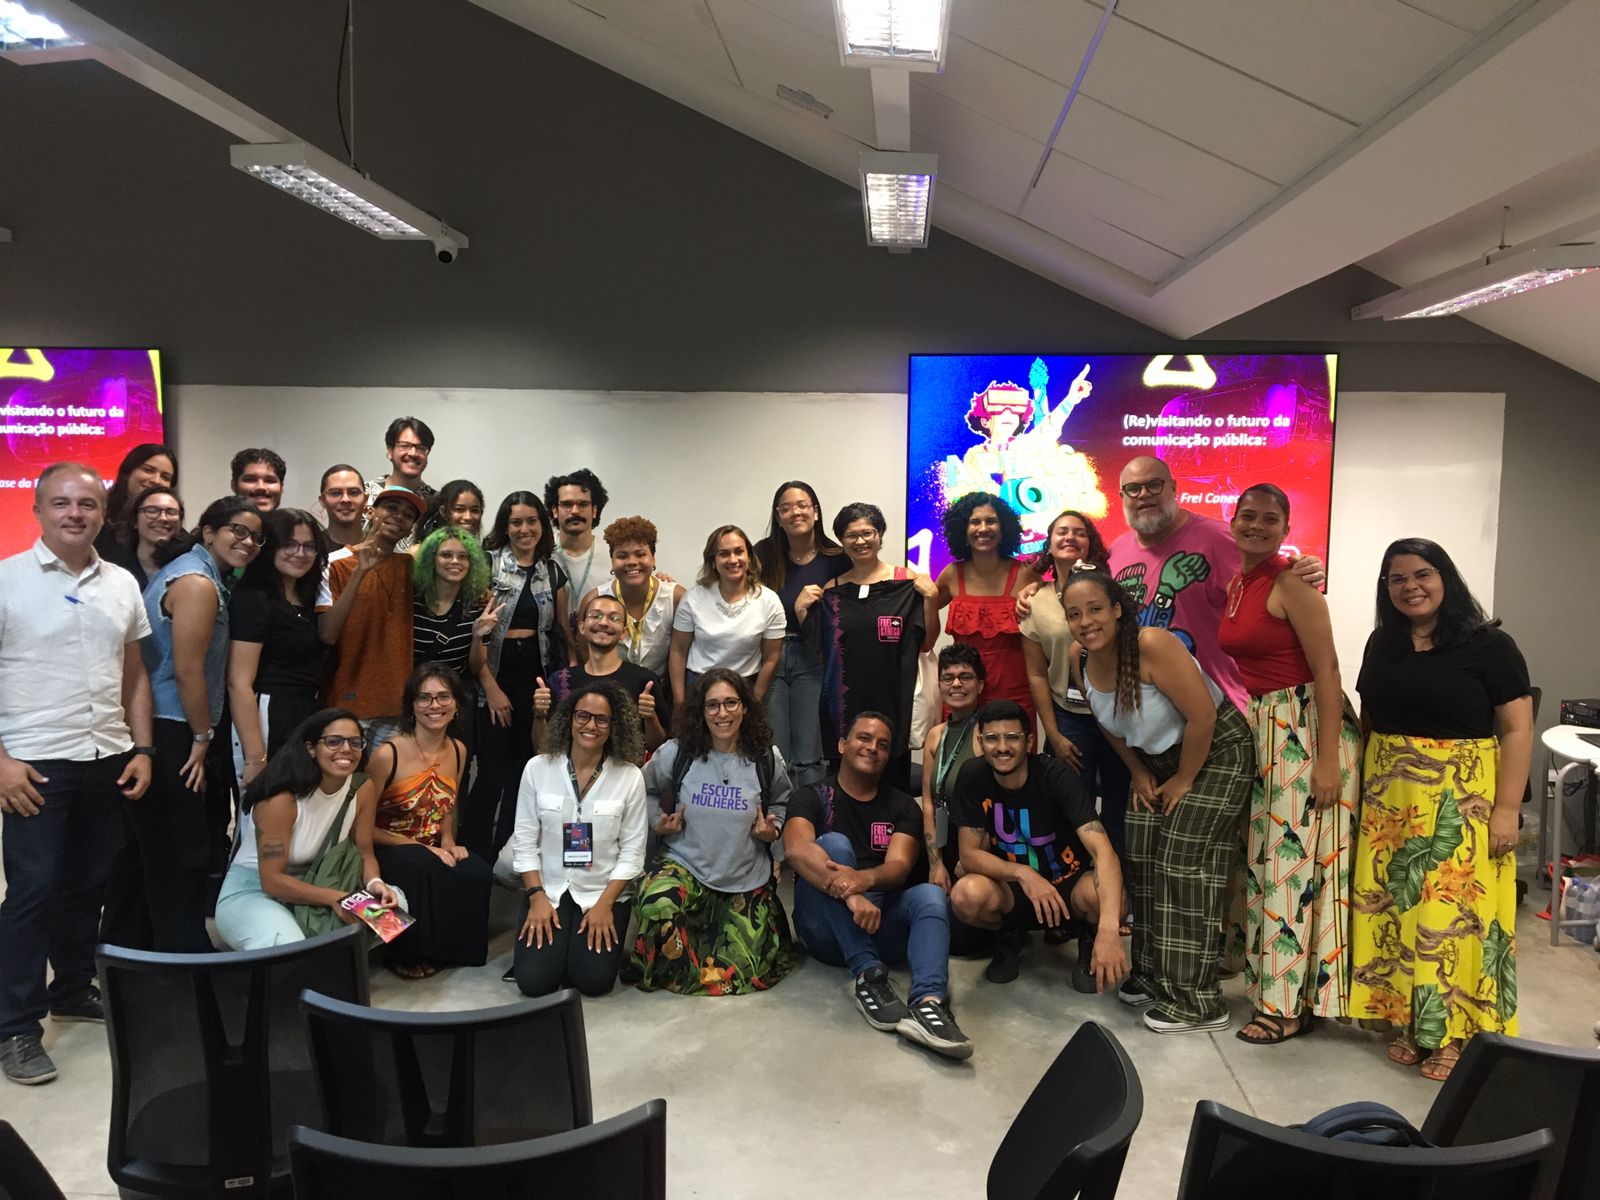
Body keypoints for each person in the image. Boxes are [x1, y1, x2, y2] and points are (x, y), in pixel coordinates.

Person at [1350, 539, 1531, 1082]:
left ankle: (1456, 1033)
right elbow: (1370, 718)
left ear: (1444, 577)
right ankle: (1413, 1020)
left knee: (1454, 920)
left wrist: (1506, 809)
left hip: (1463, 799)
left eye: (1422, 574)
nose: (1411, 587)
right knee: (1400, 913)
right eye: (1397, 578)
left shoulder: (1490, 645)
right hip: (1391, 803)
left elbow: (1518, 729)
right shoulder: (1383, 643)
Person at [0, 463, 152, 1087]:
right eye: (61, 503)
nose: (74, 514)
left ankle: (70, 987)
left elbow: (136, 673)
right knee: (32, 894)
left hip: (107, 757)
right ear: (38, 510)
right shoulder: (6, 580)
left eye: (87, 503)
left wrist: (141, 747)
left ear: (102, 513)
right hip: (32, 764)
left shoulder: (121, 583)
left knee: (89, 883)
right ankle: (14, 1027)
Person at [1062, 566, 1253, 1034]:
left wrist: (1186, 778)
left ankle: (1197, 1000)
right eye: (1074, 614)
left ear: (1117, 609)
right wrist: (1139, 772)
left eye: (1094, 609)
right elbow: (1106, 722)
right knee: (1142, 856)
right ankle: (1154, 974)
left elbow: (1204, 716)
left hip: (1216, 752)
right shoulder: (1079, 656)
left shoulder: (1151, 644)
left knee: (1182, 861)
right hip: (1156, 762)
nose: (1086, 621)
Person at [1217, 484, 1361, 1045]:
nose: (1256, 525)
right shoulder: (1239, 581)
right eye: (1247, 515)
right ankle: (1277, 988)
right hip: (1267, 724)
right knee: (1268, 863)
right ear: (1233, 520)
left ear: (1285, 526)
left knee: (1290, 866)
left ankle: (1285, 1006)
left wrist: (1327, 761)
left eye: (1269, 518)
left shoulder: (1292, 585)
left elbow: (1327, 671)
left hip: (1305, 726)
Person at [101, 497, 264, 953]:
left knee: (145, 852)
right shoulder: (196, 583)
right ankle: (183, 957)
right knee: (181, 853)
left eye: (255, 536)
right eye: (237, 530)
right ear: (208, 532)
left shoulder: (194, 574)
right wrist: (201, 736)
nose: (247, 542)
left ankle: (128, 951)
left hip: (160, 727)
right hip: (173, 729)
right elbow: (189, 672)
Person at [784, 712, 971, 1060]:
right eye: (864, 738)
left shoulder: (902, 806)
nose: (872, 748)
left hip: (878, 920)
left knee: (930, 895)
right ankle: (868, 975)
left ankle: (929, 1006)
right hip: (825, 928)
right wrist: (852, 894)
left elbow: (899, 868)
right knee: (834, 844)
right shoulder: (812, 796)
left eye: (882, 745)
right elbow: (796, 849)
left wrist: (865, 880)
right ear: (842, 745)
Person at [949, 700, 1129, 993]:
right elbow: (968, 856)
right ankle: (1010, 934)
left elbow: (1103, 851)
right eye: (993, 738)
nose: (1002, 747)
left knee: (1112, 900)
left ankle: (1090, 937)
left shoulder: (1056, 776)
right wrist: (1022, 873)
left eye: (1012, 737)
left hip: (1067, 885)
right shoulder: (973, 776)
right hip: (1014, 889)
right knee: (965, 895)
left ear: (1029, 741)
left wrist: (1109, 929)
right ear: (980, 743)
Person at [631, 670, 793, 994]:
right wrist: (656, 821)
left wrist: (772, 830)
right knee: (656, 902)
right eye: (713, 705)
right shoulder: (677, 753)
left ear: (745, 707)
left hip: (745, 876)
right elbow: (641, 788)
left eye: (731, 703)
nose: (722, 713)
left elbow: (782, 802)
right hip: (685, 866)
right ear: (701, 711)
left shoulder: (765, 758)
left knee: (743, 967)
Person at [214, 709, 399, 950]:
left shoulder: (362, 787)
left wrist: (375, 884)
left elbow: (365, 853)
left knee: (395, 909)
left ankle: (323, 954)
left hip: (321, 883)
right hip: (256, 891)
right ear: (311, 748)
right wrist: (335, 899)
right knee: (290, 946)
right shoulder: (281, 799)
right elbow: (271, 881)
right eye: (333, 741)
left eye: (355, 742)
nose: (346, 749)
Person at [510, 682, 649, 997]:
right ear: (569, 719)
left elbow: (632, 854)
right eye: (583, 716)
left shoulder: (629, 777)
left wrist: (605, 906)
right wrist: (536, 897)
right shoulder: (537, 769)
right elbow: (525, 842)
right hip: (549, 890)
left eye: (602, 719)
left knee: (593, 982)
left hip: (602, 892)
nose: (591, 725)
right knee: (534, 983)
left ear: (614, 727)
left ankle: (577, 946)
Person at [795, 502, 939, 793]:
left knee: (892, 780)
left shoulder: (908, 583)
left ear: (880, 535)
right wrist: (801, 612)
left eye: (868, 533)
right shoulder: (832, 591)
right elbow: (822, 650)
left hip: (894, 701)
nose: (860, 541)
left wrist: (932, 601)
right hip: (845, 704)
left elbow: (927, 642)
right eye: (851, 535)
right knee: (845, 782)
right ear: (842, 541)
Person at [464, 492, 570, 862]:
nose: (524, 530)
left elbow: (560, 633)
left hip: (535, 685)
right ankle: (475, 858)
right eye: (516, 522)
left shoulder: (554, 571)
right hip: (492, 679)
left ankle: (508, 859)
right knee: (491, 774)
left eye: (532, 521)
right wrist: (490, 689)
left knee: (525, 778)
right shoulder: (486, 564)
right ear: (504, 527)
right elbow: (473, 633)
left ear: (543, 525)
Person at [369, 664, 493, 978]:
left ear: (457, 704)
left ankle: (448, 952)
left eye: (442, 697)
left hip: (430, 845)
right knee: (417, 864)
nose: (434, 706)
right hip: (384, 845)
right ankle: (401, 954)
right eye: (424, 698)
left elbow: (448, 805)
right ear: (411, 705)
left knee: (476, 870)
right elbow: (361, 827)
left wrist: (449, 842)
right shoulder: (387, 754)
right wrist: (423, 848)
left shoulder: (459, 749)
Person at [1021, 509, 1131, 856]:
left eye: (1079, 532)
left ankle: (1120, 894)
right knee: (1072, 808)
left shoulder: (1114, 592)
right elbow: (1037, 673)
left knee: (1120, 808)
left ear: (1090, 544)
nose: (1070, 537)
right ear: (1049, 545)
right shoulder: (1034, 600)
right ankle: (1078, 890)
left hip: (1116, 712)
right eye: (1061, 532)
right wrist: (1053, 735)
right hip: (1069, 718)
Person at [754, 481, 849, 789]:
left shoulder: (838, 557)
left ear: (816, 512)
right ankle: (777, 825)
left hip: (815, 657)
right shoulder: (762, 555)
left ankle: (810, 820)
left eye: (802, 505)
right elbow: (729, 587)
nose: (795, 512)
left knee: (811, 751)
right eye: (786, 508)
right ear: (778, 517)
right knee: (775, 747)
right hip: (770, 656)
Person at [228, 508, 332, 787]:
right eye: (289, 544)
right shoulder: (253, 597)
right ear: (270, 547)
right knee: (263, 815)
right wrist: (255, 757)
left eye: (309, 546)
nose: (300, 553)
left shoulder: (308, 596)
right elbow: (239, 682)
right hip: (267, 713)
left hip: (305, 712)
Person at [317, 485, 424, 720]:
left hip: (398, 705)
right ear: (369, 511)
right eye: (392, 508)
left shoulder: (410, 566)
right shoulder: (334, 563)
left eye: (408, 515)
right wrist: (359, 573)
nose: (399, 516)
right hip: (347, 703)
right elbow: (326, 634)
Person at [934, 492, 1038, 729]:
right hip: (961, 695)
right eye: (975, 521)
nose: (983, 528)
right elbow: (921, 618)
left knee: (1014, 763)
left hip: (1015, 696)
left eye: (991, 521)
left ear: (1004, 529)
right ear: (963, 529)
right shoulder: (951, 575)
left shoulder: (1025, 574)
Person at [918, 644, 991, 956]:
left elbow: (999, 809)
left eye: (965, 677)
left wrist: (972, 859)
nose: (956, 684)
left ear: (980, 684)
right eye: (948, 678)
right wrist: (936, 864)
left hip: (982, 847)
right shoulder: (935, 735)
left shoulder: (988, 734)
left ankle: (1007, 934)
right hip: (945, 843)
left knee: (965, 938)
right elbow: (929, 801)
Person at [669, 525, 784, 703]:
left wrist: (756, 699)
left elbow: (771, 658)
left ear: (749, 557)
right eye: (723, 554)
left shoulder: (769, 601)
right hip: (699, 686)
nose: (733, 559)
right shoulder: (692, 598)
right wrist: (679, 700)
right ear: (713, 561)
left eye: (739, 552)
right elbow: (678, 650)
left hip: (745, 687)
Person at [537, 593, 665, 750]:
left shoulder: (644, 681)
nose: (603, 622)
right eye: (595, 616)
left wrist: (650, 717)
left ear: (624, 632)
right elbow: (542, 748)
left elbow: (658, 747)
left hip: (623, 771)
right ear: (582, 627)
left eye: (614, 618)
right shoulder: (561, 679)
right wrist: (539, 715)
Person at [580, 515, 683, 686]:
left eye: (640, 554)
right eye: (622, 556)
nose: (632, 562)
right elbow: (586, 655)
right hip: (609, 691)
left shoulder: (676, 598)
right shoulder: (594, 600)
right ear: (612, 561)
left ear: (653, 558)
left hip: (661, 692)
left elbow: (682, 652)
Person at [411, 526, 496, 680]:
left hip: (454, 696)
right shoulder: (411, 602)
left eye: (463, 556)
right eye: (446, 555)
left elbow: (475, 668)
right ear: (431, 559)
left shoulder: (478, 605)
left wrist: (477, 636)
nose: (455, 561)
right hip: (415, 694)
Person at [545, 468, 609, 618]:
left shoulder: (613, 554)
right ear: (555, 510)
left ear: (594, 510)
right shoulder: (541, 551)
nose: (574, 511)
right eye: (567, 504)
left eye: (583, 504)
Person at [97, 442, 177, 556]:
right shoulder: (100, 516)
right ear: (127, 473)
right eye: (148, 470)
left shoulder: (171, 525)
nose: (156, 480)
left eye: (165, 477)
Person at [102, 485, 184, 591]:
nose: (163, 518)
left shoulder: (188, 566)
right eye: (152, 511)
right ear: (134, 521)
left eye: (171, 512)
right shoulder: (114, 568)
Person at [365, 416, 437, 503]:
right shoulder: (364, 494)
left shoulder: (437, 501)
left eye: (421, 448)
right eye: (405, 446)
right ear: (390, 451)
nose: (413, 453)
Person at [412, 479, 486, 549]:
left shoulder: (482, 557)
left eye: (475, 511)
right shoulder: (420, 552)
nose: (468, 517)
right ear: (443, 511)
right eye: (459, 509)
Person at [318, 464, 367, 547]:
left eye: (354, 492)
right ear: (322, 501)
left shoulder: (379, 548)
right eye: (335, 493)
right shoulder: (311, 548)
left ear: (366, 499)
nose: (345, 499)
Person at [230, 448, 287, 513]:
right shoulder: (217, 522)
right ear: (234, 485)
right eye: (250, 480)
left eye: (269, 481)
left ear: (281, 487)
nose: (261, 487)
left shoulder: (294, 522)